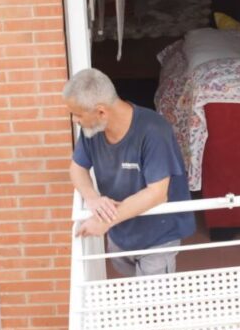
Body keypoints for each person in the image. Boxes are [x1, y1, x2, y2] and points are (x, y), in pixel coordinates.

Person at [63, 68, 195, 276]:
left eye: (77, 114)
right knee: (132, 299)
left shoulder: (154, 131)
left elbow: (157, 193)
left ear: (101, 111)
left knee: (153, 306)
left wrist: (104, 221)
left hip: (157, 237)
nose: (74, 120)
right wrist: (92, 198)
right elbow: (77, 167)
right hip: (121, 235)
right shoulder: (92, 131)